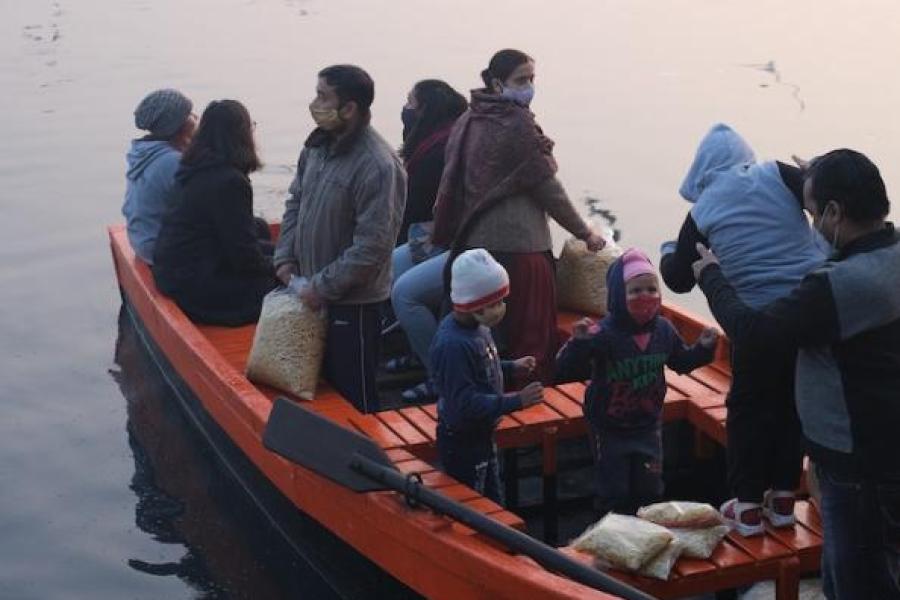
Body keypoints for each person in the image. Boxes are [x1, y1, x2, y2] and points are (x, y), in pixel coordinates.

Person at [693, 149, 900, 600]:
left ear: (834, 212)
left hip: (856, 465)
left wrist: (711, 275)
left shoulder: (840, 286)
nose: (810, 227)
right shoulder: (890, 254)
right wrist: (815, 172)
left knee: (855, 581)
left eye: (811, 214)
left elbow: (753, 333)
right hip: (885, 448)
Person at [659, 123, 825, 535]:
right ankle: (785, 499)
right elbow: (820, 198)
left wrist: (667, 252)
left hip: (753, 324)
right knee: (791, 406)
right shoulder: (780, 174)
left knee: (749, 412)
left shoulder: (701, 211)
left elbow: (680, 278)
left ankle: (748, 506)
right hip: (804, 314)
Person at [432, 49, 604, 385]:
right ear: (497, 83)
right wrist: (585, 233)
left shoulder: (471, 118)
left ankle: (486, 396)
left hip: (475, 246)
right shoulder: (516, 122)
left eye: (532, 79)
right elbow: (547, 189)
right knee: (530, 339)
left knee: (488, 338)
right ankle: (529, 411)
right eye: (521, 80)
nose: (528, 87)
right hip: (520, 251)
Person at [274, 65, 406, 414]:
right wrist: (285, 259)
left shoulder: (377, 164)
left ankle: (366, 461)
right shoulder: (316, 147)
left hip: (354, 305)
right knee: (316, 392)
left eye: (323, 96)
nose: (314, 103)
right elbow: (295, 202)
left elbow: (373, 247)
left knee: (354, 398)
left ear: (349, 108)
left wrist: (321, 287)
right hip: (307, 291)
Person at [556, 248, 718, 516]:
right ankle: (612, 537)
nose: (645, 297)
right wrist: (579, 343)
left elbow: (681, 362)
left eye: (651, 289)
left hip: (648, 425)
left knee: (650, 489)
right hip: (609, 428)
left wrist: (703, 349)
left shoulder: (664, 330)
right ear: (619, 296)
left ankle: (647, 537)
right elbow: (565, 370)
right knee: (614, 492)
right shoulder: (603, 334)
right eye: (634, 291)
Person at [430, 249, 543, 503]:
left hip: (483, 435)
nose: (500, 309)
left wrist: (512, 366)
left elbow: (482, 366)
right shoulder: (453, 345)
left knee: (493, 499)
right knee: (472, 505)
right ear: (470, 304)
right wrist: (516, 401)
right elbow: (465, 402)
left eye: (502, 301)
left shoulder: (478, 328)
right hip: (462, 442)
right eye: (493, 303)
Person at [152, 99, 276, 326]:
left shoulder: (193, 166)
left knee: (263, 234)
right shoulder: (229, 181)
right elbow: (244, 257)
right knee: (281, 285)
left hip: (173, 273)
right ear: (242, 135)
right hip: (197, 286)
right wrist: (281, 266)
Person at [388, 80, 468, 402]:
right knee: (391, 265)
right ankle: (419, 351)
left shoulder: (441, 147)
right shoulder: (433, 140)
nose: (405, 109)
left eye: (411, 102)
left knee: (405, 293)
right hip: (441, 235)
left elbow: (417, 205)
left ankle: (442, 375)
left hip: (463, 242)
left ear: (425, 109)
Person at [123, 88, 197, 264]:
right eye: (190, 115)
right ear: (179, 125)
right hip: (159, 249)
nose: (196, 118)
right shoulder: (172, 162)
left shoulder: (143, 151)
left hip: (141, 240)